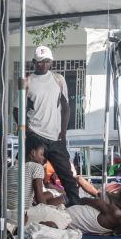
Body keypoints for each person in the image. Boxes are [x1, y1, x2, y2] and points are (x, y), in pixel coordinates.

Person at [21, 46, 80, 206]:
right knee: (29, 174)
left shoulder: (58, 79)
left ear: (51, 62)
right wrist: (25, 131)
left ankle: (76, 206)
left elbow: (66, 106)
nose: (44, 65)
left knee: (67, 175)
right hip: (35, 135)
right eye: (40, 62)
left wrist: (64, 131)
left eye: (47, 61)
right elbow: (18, 109)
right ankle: (26, 207)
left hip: (55, 137)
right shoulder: (27, 81)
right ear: (34, 62)